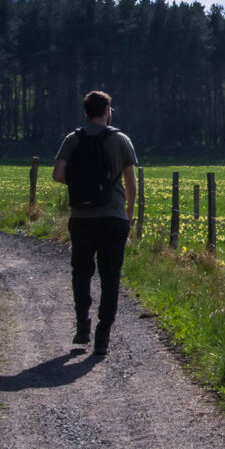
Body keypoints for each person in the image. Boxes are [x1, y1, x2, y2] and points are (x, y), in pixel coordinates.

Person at [52, 89, 138, 356]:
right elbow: (131, 182)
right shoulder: (120, 140)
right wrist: (129, 212)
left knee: (81, 272)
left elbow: (57, 175)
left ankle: (82, 325)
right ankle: (103, 335)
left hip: (81, 218)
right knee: (110, 277)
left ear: (86, 113)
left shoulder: (72, 139)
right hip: (113, 218)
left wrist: (82, 185)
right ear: (106, 111)